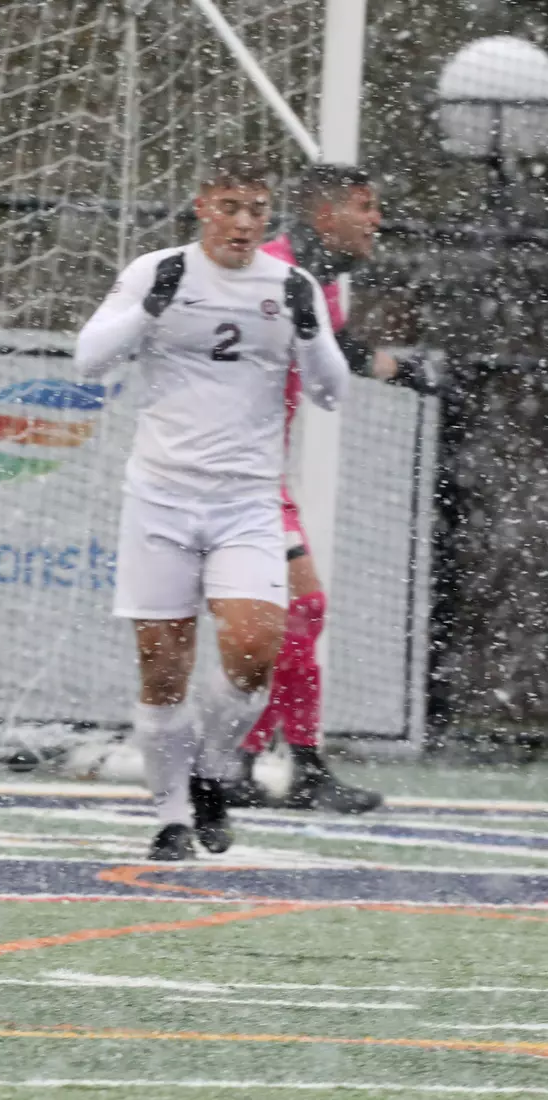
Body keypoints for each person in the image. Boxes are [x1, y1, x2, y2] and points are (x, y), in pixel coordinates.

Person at [75, 155, 349, 860]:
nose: (244, 222)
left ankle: (211, 770)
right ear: (203, 206)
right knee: (163, 671)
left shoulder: (291, 284)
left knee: (255, 650)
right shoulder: (157, 271)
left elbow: (331, 392)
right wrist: (149, 309)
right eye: (231, 206)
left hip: (247, 502)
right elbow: (89, 359)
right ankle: (170, 818)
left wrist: (312, 336)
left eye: (257, 209)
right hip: (161, 500)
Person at [228, 164, 438, 814]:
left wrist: (397, 368)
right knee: (238, 625)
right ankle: (240, 760)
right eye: (364, 206)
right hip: (219, 478)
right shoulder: (262, 271)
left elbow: (332, 346)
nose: (377, 219)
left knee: (300, 614)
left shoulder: (322, 286)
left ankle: (280, 763)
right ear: (325, 217)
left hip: (260, 476)